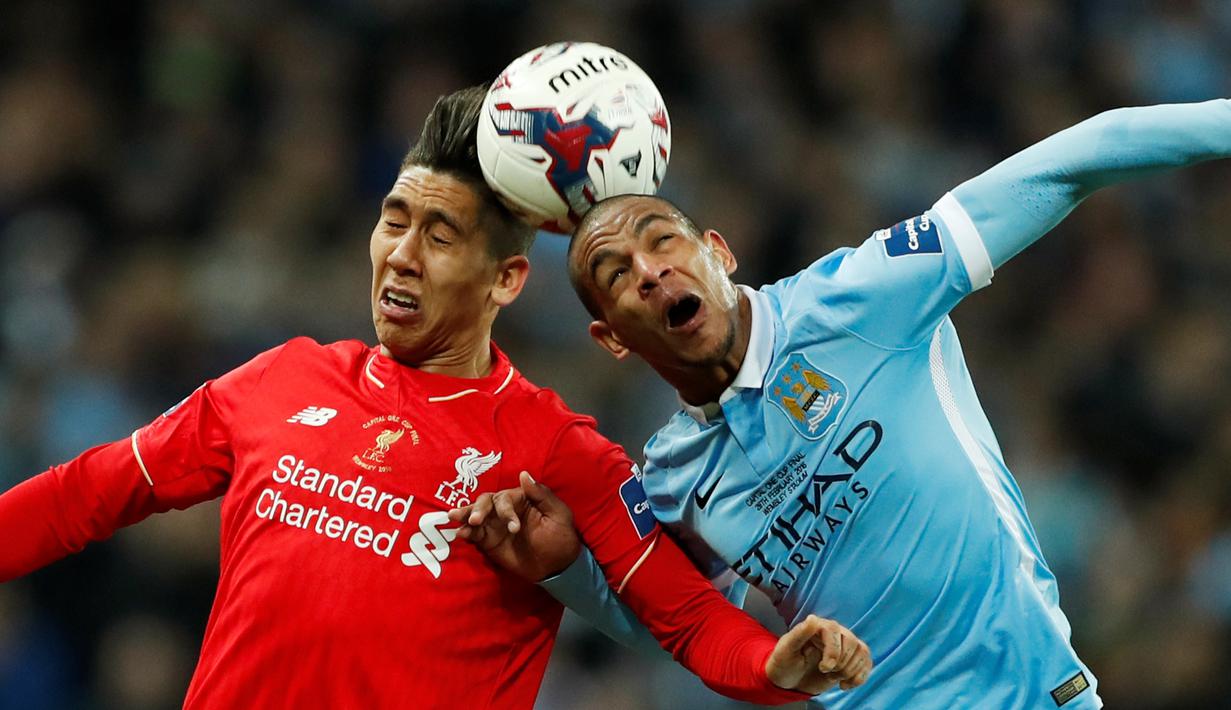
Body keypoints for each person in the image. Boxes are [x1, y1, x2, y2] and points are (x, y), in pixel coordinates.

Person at [0, 86, 872, 708]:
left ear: (506, 280)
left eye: (440, 234)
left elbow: (687, 620)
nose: (401, 254)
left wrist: (773, 668)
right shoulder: (279, 380)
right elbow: (87, 493)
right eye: (393, 219)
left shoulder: (559, 450)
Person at [450, 98, 1231, 709]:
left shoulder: (859, 298)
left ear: (718, 253)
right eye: (616, 275)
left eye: (662, 241)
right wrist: (565, 572)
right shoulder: (670, 480)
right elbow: (690, 632)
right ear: (611, 338)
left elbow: (1073, 161)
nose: (649, 272)